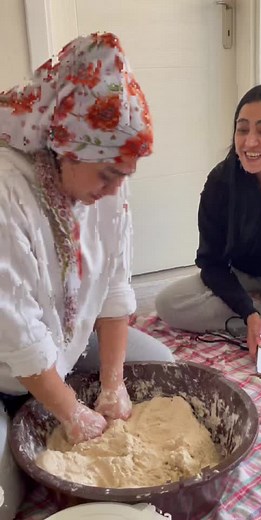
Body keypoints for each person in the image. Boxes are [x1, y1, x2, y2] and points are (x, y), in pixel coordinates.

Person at [0, 32, 174, 519]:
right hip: (7, 367)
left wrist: (113, 384)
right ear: (66, 148)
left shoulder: (108, 188)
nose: (116, 189)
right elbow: (18, 333)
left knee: (163, 365)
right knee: (2, 497)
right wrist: (72, 412)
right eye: (107, 175)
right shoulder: (6, 191)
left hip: (64, 347)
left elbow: (116, 285)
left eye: (125, 177)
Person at [156, 82, 261, 363]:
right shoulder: (221, 182)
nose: (249, 142)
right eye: (242, 129)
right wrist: (247, 311)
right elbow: (212, 263)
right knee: (169, 303)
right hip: (242, 278)